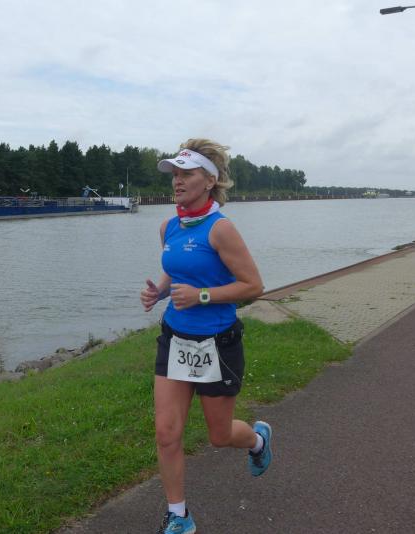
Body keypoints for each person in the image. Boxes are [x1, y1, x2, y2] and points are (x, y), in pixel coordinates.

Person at [141, 139, 272, 534]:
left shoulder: (221, 229)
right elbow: (176, 270)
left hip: (217, 343)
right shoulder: (169, 226)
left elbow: (253, 286)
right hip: (175, 340)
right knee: (166, 433)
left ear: (210, 181)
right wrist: (160, 291)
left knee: (220, 435)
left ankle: (258, 441)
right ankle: (179, 516)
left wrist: (201, 296)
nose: (177, 181)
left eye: (187, 174)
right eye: (175, 174)